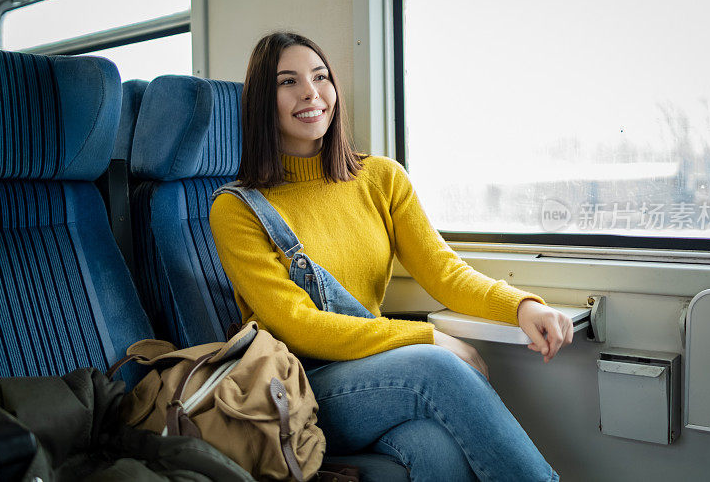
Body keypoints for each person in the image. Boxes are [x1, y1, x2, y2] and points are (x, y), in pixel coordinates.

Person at [210, 31, 572, 482]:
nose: (311, 93)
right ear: (263, 100)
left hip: (376, 373)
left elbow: (442, 270)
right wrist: (426, 338)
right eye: (289, 82)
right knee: (436, 366)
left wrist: (521, 305)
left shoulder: (381, 178)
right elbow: (296, 324)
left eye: (321, 77)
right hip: (302, 388)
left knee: (435, 450)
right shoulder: (236, 208)